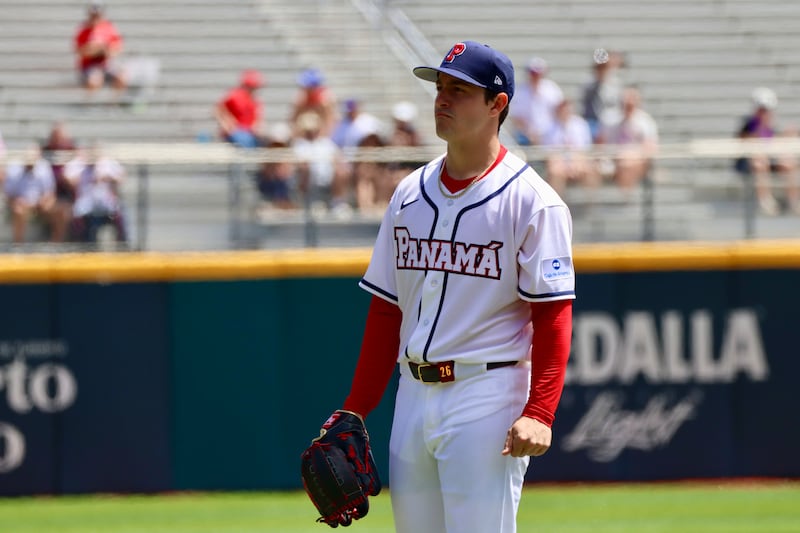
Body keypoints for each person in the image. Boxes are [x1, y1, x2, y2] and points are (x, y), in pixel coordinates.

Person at [326, 41, 575, 533]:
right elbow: (386, 310)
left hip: (487, 392)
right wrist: (355, 407)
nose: (442, 99)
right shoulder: (408, 192)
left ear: (496, 104)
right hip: (413, 395)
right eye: (439, 88)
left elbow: (553, 315)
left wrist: (541, 411)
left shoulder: (533, 202)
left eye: (459, 90)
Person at [734, 87, 800, 215]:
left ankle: (794, 200)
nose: (765, 113)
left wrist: (787, 135)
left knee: (788, 162)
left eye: (767, 110)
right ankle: (764, 200)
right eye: (762, 110)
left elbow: (771, 143)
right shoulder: (749, 124)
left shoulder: (770, 126)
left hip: (768, 160)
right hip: (748, 164)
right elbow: (748, 141)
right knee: (760, 161)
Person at [597, 86, 658, 192]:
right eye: (625, 104)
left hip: (636, 161)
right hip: (615, 160)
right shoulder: (610, 121)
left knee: (627, 161)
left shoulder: (645, 122)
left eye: (631, 104)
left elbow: (650, 148)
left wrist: (631, 155)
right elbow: (601, 143)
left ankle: (625, 195)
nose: (628, 107)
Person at [63, 144, 128, 244]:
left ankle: (123, 241)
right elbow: (67, 179)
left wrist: (108, 178)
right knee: (77, 213)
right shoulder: (80, 166)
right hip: (86, 200)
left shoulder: (107, 164)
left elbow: (121, 178)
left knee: (119, 211)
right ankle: (79, 241)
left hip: (105, 201)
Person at [292, 111, 350, 214]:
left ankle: (337, 202)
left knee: (341, 171)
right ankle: (307, 201)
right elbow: (299, 163)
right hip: (308, 178)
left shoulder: (326, 142)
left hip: (328, 176)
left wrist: (337, 165)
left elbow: (338, 157)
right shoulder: (299, 144)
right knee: (305, 170)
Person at [541, 98, 600, 195]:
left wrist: (576, 162)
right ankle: (556, 205)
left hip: (578, 160)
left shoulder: (581, 124)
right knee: (555, 172)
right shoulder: (549, 127)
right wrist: (565, 165)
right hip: (558, 162)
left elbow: (585, 149)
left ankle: (590, 203)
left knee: (591, 170)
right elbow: (548, 153)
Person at [4, 146, 57, 243]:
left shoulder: (44, 167)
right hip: (22, 205)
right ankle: (18, 245)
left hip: (39, 205)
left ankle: (56, 244)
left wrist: (44, 201)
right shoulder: (14, 168)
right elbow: (9, 194)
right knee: (18, 210)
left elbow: (50, 192)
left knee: (60, 211)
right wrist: (18, 201)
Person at [509, 57, 563, 146]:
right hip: (526, 136)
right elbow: (516, 117)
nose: (536, 76)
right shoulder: (520, 91)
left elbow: (560, 111)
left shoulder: (551, 88)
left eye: (538, 74)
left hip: (550, 135)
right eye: (533, 73)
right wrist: (529, 133)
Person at [73, 1, 126, 93]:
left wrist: (101, 49)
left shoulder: (109, 27)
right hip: (89, 66)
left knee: (121, 77)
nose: (95, 18)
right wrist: (97, 50)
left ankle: (115, 103)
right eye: (93, 15)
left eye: (97, 15)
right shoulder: (83, 29)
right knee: (95, 79)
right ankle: (90, 104)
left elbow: (117, 49)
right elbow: (79, 51)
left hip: (106, 64)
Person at [41, 121, 79, 242]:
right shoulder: (45, 152)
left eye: (60, 136)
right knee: (47, 207)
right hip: (47, 193)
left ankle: (56, 242)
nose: (58, 139)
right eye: (55, 136)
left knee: (63, 212)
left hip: (67, 195)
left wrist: (67, 179)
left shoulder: (73, 152)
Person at [215, 70, 266, 148]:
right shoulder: (235, 95)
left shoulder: (254, 100)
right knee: (244, 140)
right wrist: (226, 124)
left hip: (250, 133)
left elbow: (258, 118)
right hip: (238, 133)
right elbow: (218, 109)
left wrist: (257, 126)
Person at [290, 68, 338, 138]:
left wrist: (323, 136)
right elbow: (293, 120)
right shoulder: (300, 99)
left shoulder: (326, 99)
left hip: (322, 136)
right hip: (303, 136)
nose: (305, 88)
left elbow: (331, 121)